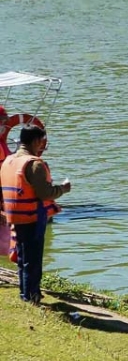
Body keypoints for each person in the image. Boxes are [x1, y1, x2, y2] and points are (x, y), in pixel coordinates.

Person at [1, 126, 71, 305]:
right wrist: (63, 189)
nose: (42, 146)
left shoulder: (9, 161)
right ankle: (31, 296)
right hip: (32, 217)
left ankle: (26, 293)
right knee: (32, 260)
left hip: (15, 216)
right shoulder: (34, 164)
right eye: (41, 142)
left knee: (22, 257)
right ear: (34, 141)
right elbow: (44, 193)